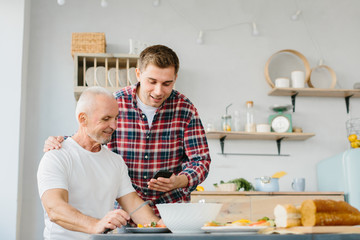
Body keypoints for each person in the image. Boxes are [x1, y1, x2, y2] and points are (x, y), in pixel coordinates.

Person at [44, 45, 211, 216]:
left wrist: (179, 181)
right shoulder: (116, 102)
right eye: (152, 82)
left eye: (167, 83)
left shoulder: (185, 109)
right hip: (123, 213)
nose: (158, 91)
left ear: (175, 78)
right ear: (138, 74)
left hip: (172, 211)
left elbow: (201, 161)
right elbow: (92, 136)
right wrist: (63, 142)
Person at [37, 87, 160, 240]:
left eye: (116, 118)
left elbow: (134, 205)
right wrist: (95, 225)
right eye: (106, 118)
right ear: (83, 119)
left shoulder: (115, 162)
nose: (114, 126)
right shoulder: (57, 156)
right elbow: (54, 209)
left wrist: (162, 226)